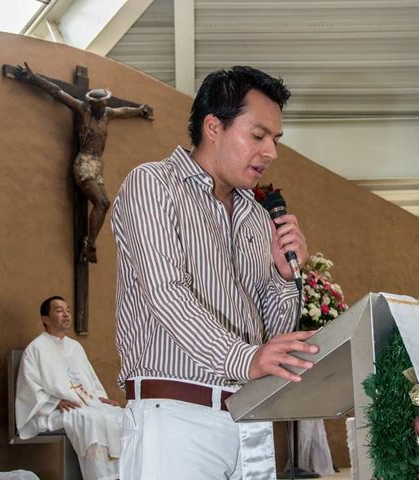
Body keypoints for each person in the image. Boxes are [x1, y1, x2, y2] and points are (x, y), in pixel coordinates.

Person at [111, 66, 319, 479]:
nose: (271, 152)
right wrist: (246, 358)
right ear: (213, 127)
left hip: (247, 420)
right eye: (258, 135)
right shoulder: (153, 184)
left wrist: (282, 276)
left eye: (275, 140)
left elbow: (270, 337)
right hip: (174, 421)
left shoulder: (258, 218)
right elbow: (165, 294)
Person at [13, 62, 153, 263]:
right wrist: (33, 78)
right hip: (85, 162)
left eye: (105, 102)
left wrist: (140, 110)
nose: (104, 105)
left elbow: (124, 110)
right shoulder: (83, 110)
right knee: (101, 202)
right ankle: (90, 245)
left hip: (98, 165)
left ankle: (89, 243)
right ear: (93, 104)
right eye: (101, 103)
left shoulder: (108, 115)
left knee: (105, 204)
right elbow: (57, 91)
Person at [16, 296, 123, 480]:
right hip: (51, 411)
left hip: (84, 405)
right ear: (45, 319)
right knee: (90, 419)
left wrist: (98, 398)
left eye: (67, 310)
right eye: (59, 310)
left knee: (119, 416)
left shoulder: (75, 347)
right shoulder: (36, 349)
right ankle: (99, 476)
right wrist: (54, 402)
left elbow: (90, 380)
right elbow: (29, 388)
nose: (66, 314)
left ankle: (121, 474)